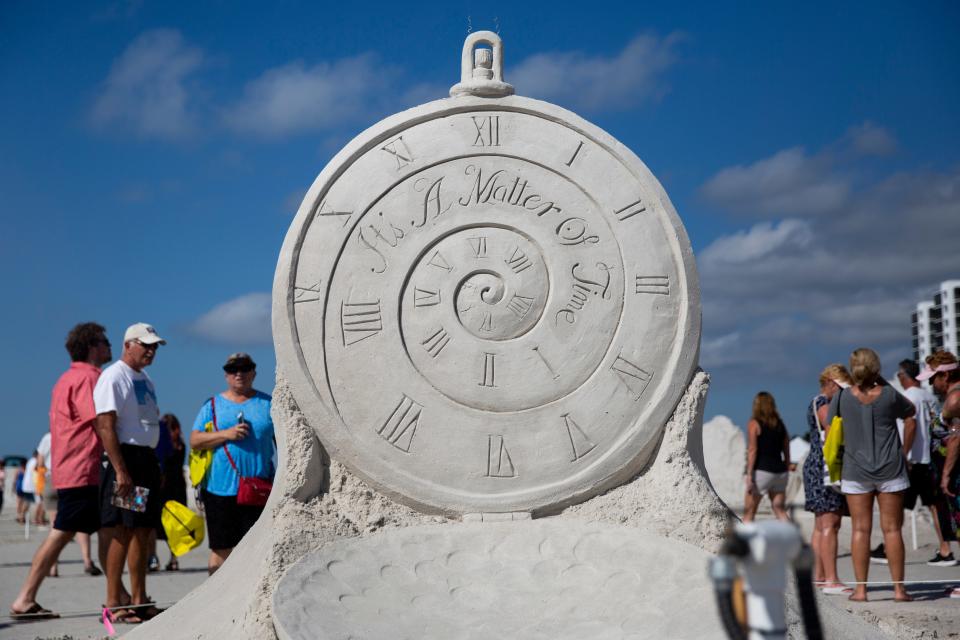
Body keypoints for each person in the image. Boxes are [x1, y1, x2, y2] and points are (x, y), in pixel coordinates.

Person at [10, 322, 112, 619]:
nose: (109, 347)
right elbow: (100, 422)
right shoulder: (89, 378)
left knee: (105, 530)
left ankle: (118, 595)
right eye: (105, 342)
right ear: (93, 346)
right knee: (63, 533)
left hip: (69, 467)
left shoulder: (65, 378)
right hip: (84, 469)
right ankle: (25, 597)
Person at [93, 322, 167, 623]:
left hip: (145, 459)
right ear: (128, 345)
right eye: (145, 345)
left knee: (143, 530)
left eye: (154, 346)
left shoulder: (146, 379)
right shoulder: (113, 376)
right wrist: (121, 470)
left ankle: (138, 599)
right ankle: (113, 601)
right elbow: (105, 425)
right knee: (122, 531)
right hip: (126, 459)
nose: (150, 351)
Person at [831, 347, 915, 602]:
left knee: (860, 530)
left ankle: (861, 590)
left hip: (856, 469)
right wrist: (904, 451)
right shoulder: (889, 395)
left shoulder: (843, 397)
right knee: (892, 530)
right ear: (876, 368)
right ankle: (899, 590)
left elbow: (829, 423)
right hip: (891, 466)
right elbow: (911, 415)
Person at [190, 353, 274, 575]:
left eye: (245, 368)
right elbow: (195, 440)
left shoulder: (269, 404)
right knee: (221, 549)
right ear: (226, 375)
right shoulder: (213, 405)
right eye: (233, 369)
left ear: (254, 372)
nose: (239, 373)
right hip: (220, 489)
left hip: (258, 488)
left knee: (257, 549)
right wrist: (226, 434)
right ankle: (215, 601)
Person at [802, 364, 852, 595]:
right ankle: (831, 579)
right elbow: (831, 429)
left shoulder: (816, 401)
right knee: (830, 524)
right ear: (831, 383)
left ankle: (820, 577)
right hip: (825, 466)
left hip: (816, 465)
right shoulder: (823, 403)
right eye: (842, 387)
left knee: (821, 525)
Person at [918, 350, 960, 598]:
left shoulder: (954, 400)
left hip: (956, 472)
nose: (931, 383)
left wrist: (945, 475)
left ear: (946, 374)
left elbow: (955, 439)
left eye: (934, 378)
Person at [743, 391, 791, 523]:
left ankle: (744, 543)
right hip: (780, 472)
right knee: (780, 510)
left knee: (749, 512)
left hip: (762, 471)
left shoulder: (754, 423)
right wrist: (787, 466)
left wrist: (749, 475)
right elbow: (786, 446)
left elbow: (752, 450)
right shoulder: (780, 424)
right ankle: (793, 539)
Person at [154, 414, 187, 571]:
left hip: (164, 488)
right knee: (174, 526)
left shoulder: (164, 445)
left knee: (155, 525)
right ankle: (174, 559)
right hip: (178, 487)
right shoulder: (180, 444)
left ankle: (153, 558)